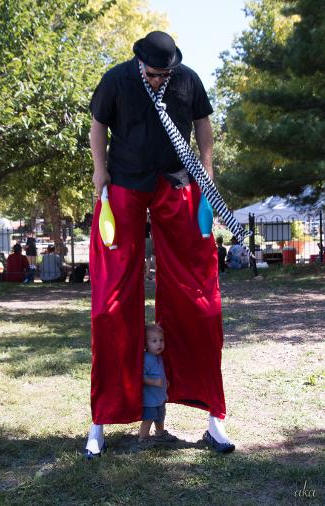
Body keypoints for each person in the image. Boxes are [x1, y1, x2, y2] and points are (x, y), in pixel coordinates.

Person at [85, 31, 235, 458]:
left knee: (200, 296)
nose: (157, 80)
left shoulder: (186, 79)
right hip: (124, 188)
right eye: (152, 74)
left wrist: (206, 169)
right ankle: (101, 421)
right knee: (109, 303)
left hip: (178, 184)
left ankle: (213, 419)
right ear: (140, 64)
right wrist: (99, 172)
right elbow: (98, 124)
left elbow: (203, 123)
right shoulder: (117, 80)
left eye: (163, 74)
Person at [139, 323, 177, 445]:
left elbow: (159, 374)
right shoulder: (145, 358)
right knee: (148, 419)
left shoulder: (159, 356)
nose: (159, 343)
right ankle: (143, 438)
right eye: (154, 341)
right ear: (145, 344)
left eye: (161, 340)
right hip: (149, 399)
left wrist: (165, 386)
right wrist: (154, 382)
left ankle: (160, 433)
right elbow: (140, 377)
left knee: (160, 417)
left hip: (159, 397)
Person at [144, 212, 154, 280]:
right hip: (147, 239)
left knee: (146, 257)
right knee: (148, 258)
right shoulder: (148, 222)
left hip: (141, 240)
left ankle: (146, 273)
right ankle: (147, 273)